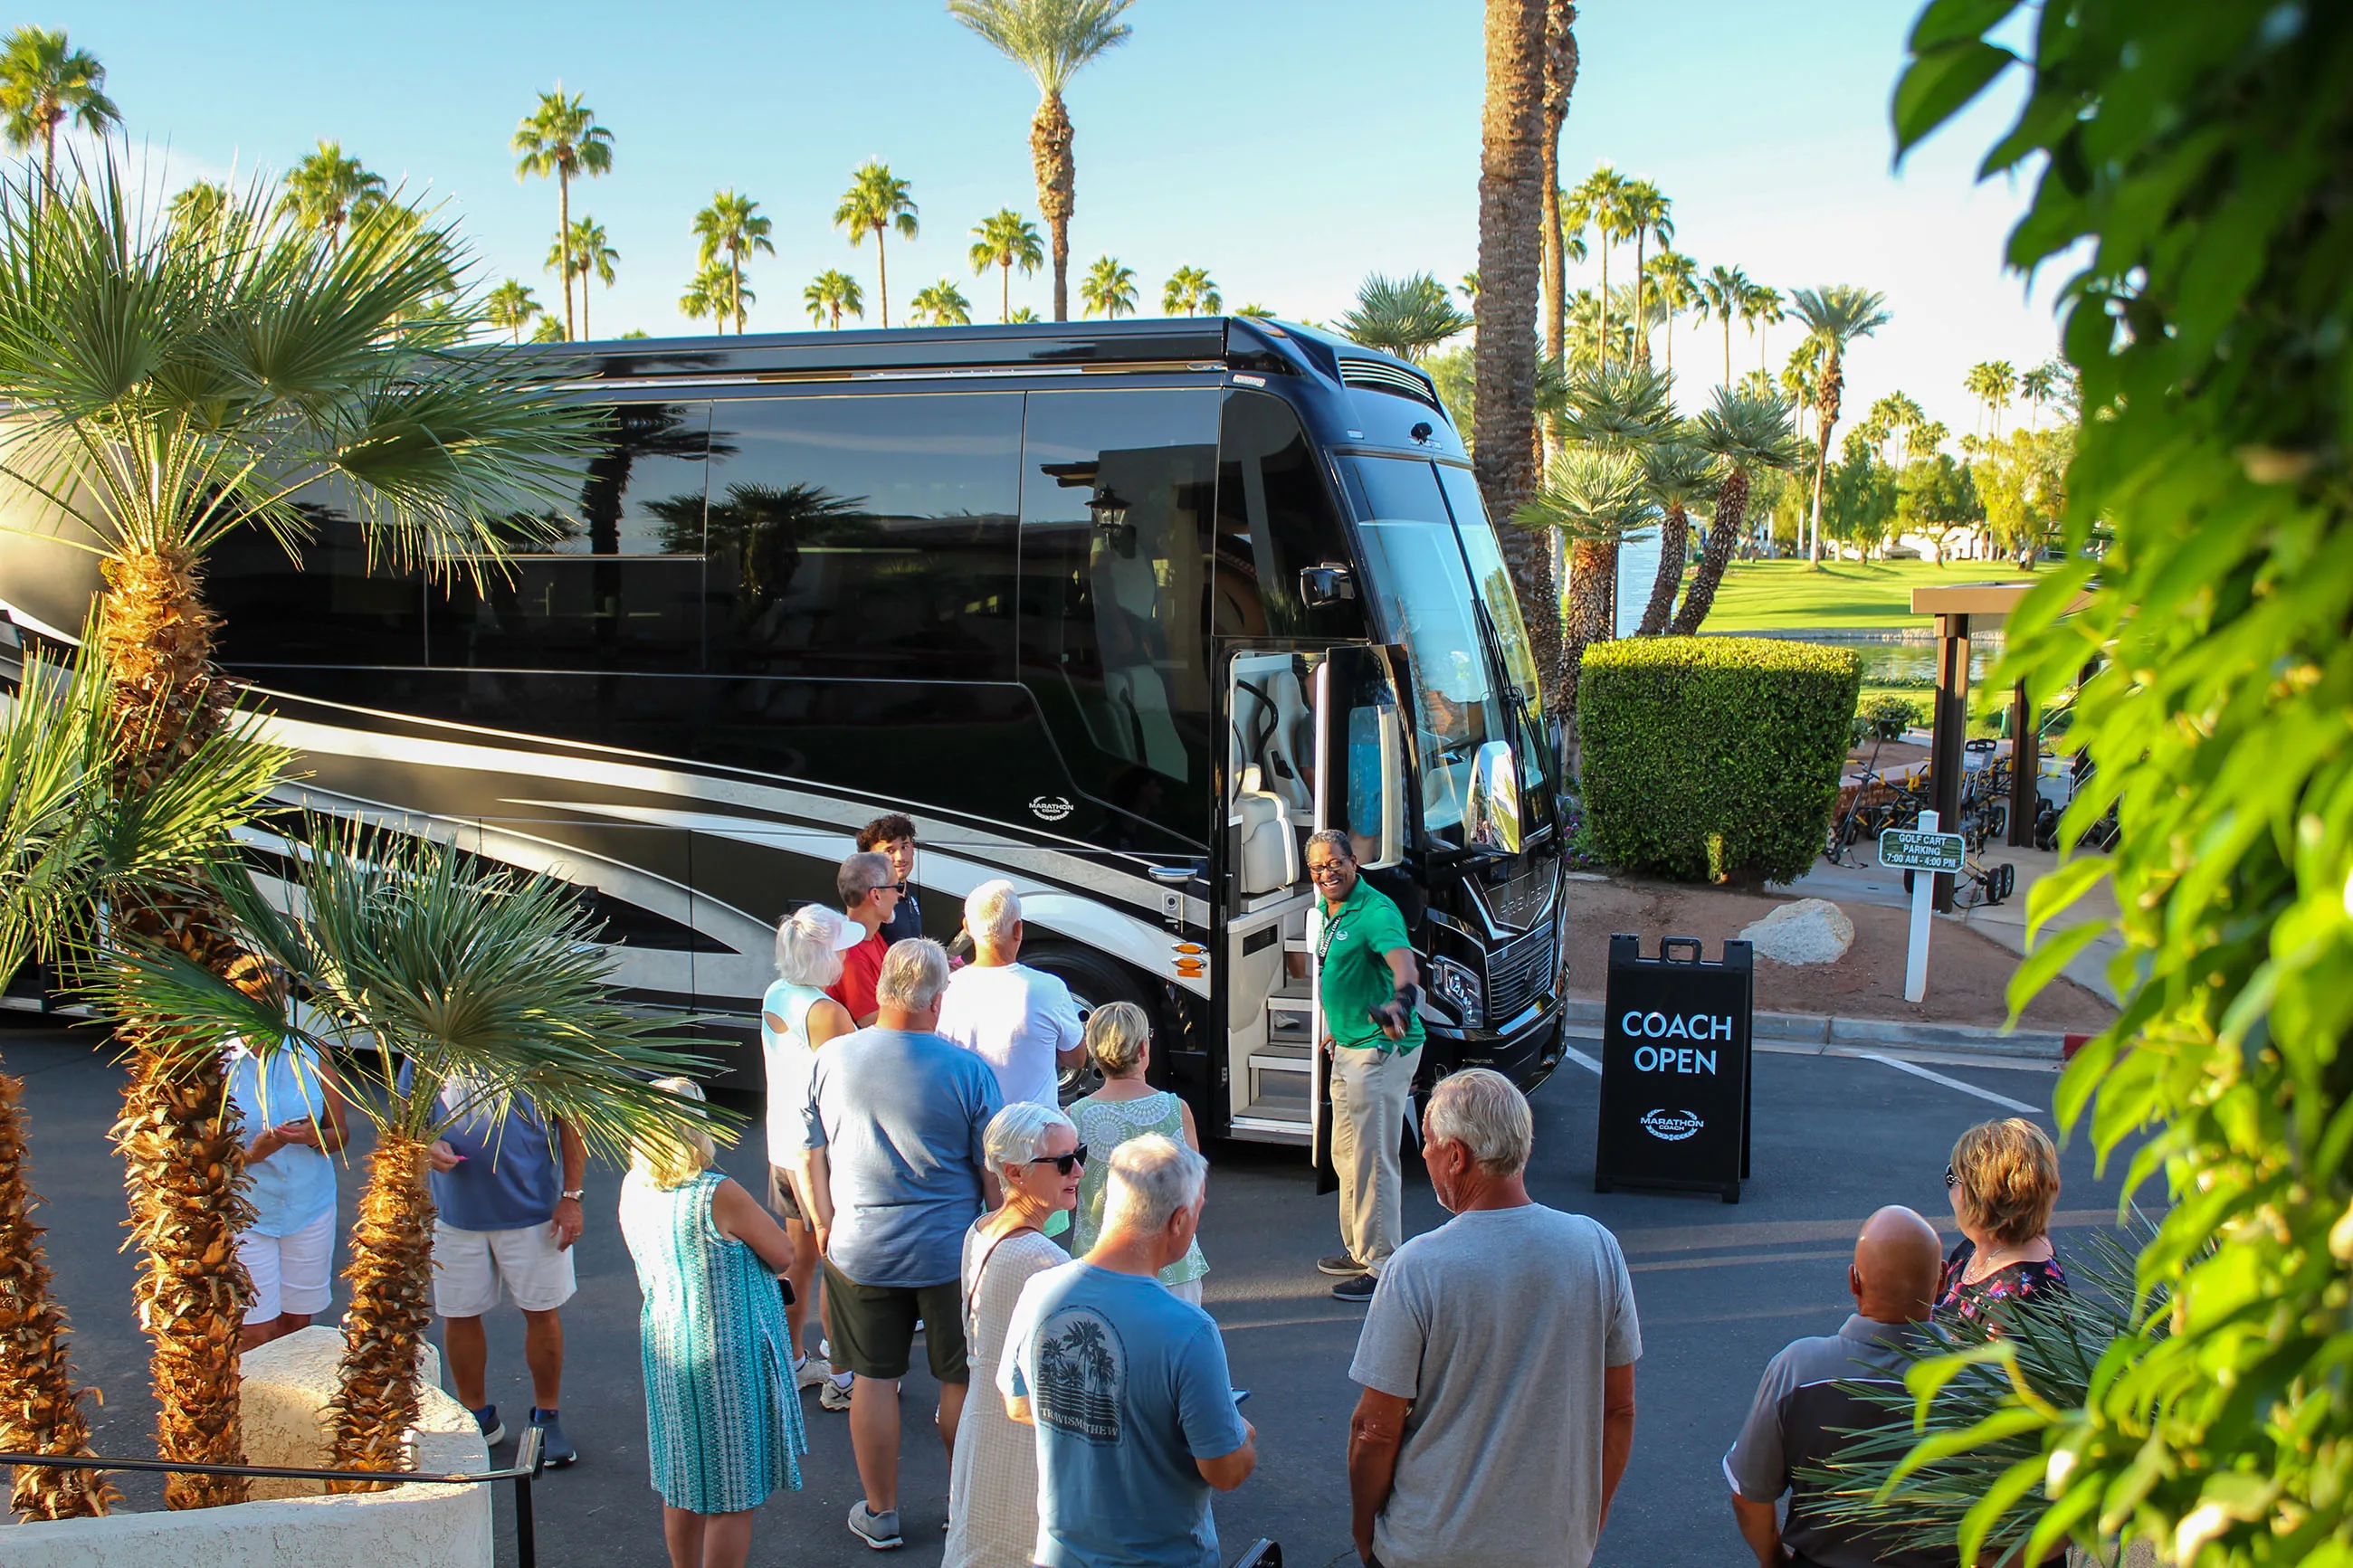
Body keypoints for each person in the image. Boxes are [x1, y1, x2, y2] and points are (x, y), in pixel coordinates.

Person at [1347, 1069, 1639, 1568]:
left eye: (1430, 1142)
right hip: (1554, 1550)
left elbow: (1375, 1430)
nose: (1423, 1154)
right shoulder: (1597, 1249)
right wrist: (1591, 1517)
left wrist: (1364, 1530)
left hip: (1430, 1549)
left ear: (1457, 1157)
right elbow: (1619, 1411)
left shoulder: (1417, 1267)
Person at [800, 937, 1003, 1550]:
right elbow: (991, 1171)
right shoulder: (968, 1069)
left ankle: (881, 1511)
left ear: (884, 987)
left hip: (860, 1248)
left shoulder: (832, 1059)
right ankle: (961, 1504)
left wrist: (822, 1219)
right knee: (957, 1379)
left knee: (872, 1376)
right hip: (947, 1253)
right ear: (938, 1000)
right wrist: (997, 1229)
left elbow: (810, 1151)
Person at [999, 1136, 1256, 1568]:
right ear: (1178, 1222)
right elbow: (1225, 1470)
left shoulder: (1039, 1292)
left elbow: (1019, 1403)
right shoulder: (1190, 1330)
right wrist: (1242, 1435)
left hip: (1060, 1554)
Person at [617, 1077, 811, 1568]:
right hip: (726, 1356)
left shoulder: (632, 1187)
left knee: (681, 1483)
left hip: (665, 1345)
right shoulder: (715, 1192)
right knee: (732, 1495)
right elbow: (784, 1252)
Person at [1725, 1206, 1953, 1568]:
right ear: (1942, 1279)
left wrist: (1774, 1559)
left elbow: (1749, 1496)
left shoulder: (1797, 1370)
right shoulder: (1984, 1384)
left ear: (1854, 1281)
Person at [424, 1070, 588, 1467]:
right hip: (454, 1217)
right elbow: (407, 1123)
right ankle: (477, 1416)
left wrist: (571, 1197)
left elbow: (572, 1121)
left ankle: (547, 1417)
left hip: (534, 1214)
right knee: (459, 1315)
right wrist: (427, 1144)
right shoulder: (427, 1049)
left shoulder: (533, 1040)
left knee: (541, 1312)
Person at [945, 1103, 1084, 1568]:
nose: (1078, 1170)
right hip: (1022, 1435)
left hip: (982, 1418)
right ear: (1014, 1172)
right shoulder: (1043, 1260)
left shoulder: (981, 1229)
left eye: (1078, 1154)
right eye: (1064, 1161)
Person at [1299, 828, 1424, 1302]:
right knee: (1345, 1153)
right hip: (1349, 1044)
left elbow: (1402, 965)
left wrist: (1400, 1003)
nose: (1327, 872)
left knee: (1373, 1158)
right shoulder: (1333, 912)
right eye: (1317, 866)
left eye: (1335, 863)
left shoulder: (1375, 912)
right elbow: (1343, 975)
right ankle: (1359, 1249)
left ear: (1354, 862)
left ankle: (1382, 1263)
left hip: (1379, 1049)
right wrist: (1337, 1026)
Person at [223, 955, 352, 1352]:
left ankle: (288, 1413)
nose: (271, 1010)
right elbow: (202, 1157)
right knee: (256, 1331)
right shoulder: (219, 1061)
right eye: (259, 1000)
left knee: (297, 1326)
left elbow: (340, 1134)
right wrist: (254, 1154)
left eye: (276, 1000)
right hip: (248, 1213)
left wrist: (313, 1136)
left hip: (308, 1207)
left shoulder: (312, 1051)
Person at [762, 902, 861, 1411]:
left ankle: (793, 1360)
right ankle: (841, 1376)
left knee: (799, 1257)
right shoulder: (827, 1012)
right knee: (836, 1262)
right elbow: (857, 1081)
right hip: (820, 1156)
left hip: (783, 1146)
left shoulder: (778, 993)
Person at [1066, 1001, 1209, 1304]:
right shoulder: (1175, 1109)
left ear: (1093, 1052)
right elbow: (1195, 1191)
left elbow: (1069, 1195)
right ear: (1143, 1050)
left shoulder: (1075, 1116)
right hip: (1172, 1267)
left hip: (1100, 1263)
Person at [935, 879, 1085, 1112]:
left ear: (967, 926)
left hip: (973, 1135)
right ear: (1018, 929)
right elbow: (1076, 1059)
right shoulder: (1050, 988)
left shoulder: (946, 991)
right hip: (1038, 1137)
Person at [1939, 1117, 2066, 1325]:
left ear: (1979, 1195)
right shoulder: (1975, 1247)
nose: (1950, 1189)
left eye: (1953, 1178)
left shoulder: (2020, 1296)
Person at [829, 851, 902, 1028]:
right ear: (876, 895)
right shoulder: (850, 953)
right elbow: (871, 1021)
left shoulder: (871, 936)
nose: (899, 896)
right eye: (897, 887)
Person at [858, 814, 925, 946]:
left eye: (904, 847)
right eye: (890, 851)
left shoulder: (908, 892)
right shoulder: (871, 903)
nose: (900, 857)